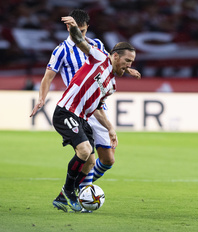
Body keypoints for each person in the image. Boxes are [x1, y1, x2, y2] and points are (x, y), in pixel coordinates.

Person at [30, 9, 140, 212]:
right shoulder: (74, 51)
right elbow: (50, 75)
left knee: (101, 160)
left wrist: (111, 127)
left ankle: (70, 194)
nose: (80, 32)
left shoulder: (109, 78)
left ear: (88, 27)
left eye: (82, 28)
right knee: (85, 151)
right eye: (127, 62)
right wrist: (41, 98)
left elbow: (113, 61)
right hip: (70, 107)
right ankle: (76, 193)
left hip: (89, 110)